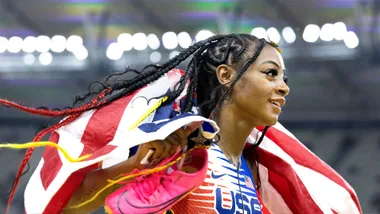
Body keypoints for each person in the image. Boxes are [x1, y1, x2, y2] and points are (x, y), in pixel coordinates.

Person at [1, 34, 362, 214]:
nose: (283, 87)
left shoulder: (258, 171)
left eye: (283, 77)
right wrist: (130, 167)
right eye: (270, 74)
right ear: (226, 75)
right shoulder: (182, 151)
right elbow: (66, 208)